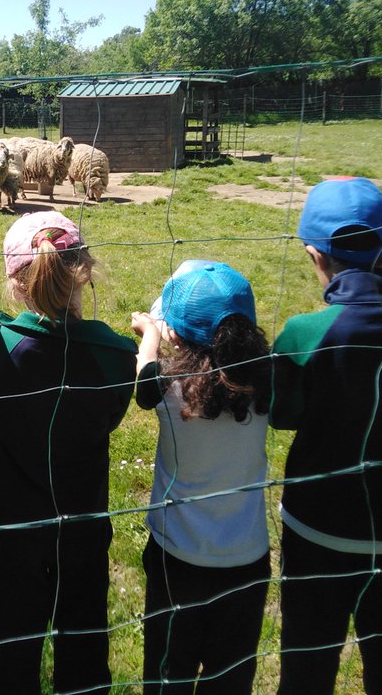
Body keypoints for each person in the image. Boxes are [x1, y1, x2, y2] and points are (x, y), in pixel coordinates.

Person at [269, 177, 382, 695]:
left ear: (313, 255)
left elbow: (282, 414)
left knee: (307, 659)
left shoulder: (304, 333)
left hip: (316, 525)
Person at [0, 210, 137, 695]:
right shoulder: (116, 353)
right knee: (84, 629)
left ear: (15, 282)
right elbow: (112, 414)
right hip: (83, 517)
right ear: (84, 269)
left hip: (15, 520)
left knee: (15, 632)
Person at [130, 262, 272, 694]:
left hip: (178, 559)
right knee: (229, 683)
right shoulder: (268, 383)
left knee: (167, 675)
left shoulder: (168, 392)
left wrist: (151, 336)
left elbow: (144, 379)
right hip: (247, 561)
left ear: (176, 334)